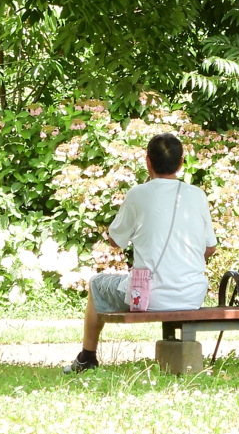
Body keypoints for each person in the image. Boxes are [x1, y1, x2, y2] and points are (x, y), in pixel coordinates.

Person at [65, 132, 217, 373]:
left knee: (96, 284)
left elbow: (116, 240)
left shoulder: (138, 194)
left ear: (148, 161)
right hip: (192, 295)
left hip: (147, 297)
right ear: (181, 163)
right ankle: (87, 358)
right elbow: (210, 248)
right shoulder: (197, 195)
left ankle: (87, 357)